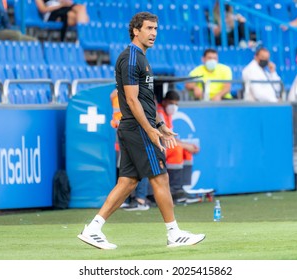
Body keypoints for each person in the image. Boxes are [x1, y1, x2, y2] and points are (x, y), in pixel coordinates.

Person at [77, 12, 205, 250]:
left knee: (127, 182)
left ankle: (93, 229)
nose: (154, 33)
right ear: (136, 30)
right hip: (137, 128)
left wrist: (160, 125)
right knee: (160, 177)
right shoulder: (130, 58)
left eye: (156, 28)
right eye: (149, 28)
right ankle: (174, 233)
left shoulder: (142, 58)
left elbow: (146, 100)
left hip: (138, 127)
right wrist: (149, 129)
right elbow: (132, 101)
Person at [110, 88, 150, 211]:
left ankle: (132, 199)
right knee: (139, 165)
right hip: (131, 133)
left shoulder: (116, 93)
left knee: (126, 168)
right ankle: (139, 199)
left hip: (124, 133)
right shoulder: (132, 92)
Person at [156, 90, 200, 203]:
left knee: (186, 151)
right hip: (159, 145)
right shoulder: (160, 113)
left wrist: (187, 146)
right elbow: (164, 136)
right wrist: (185, 145)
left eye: (176, 104)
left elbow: (170, 135)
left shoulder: (168, 114)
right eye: (171, 103)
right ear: (165, 102)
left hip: (166, 144)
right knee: (178, 150)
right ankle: (174, 190)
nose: (174, 106)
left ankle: (181, 188)